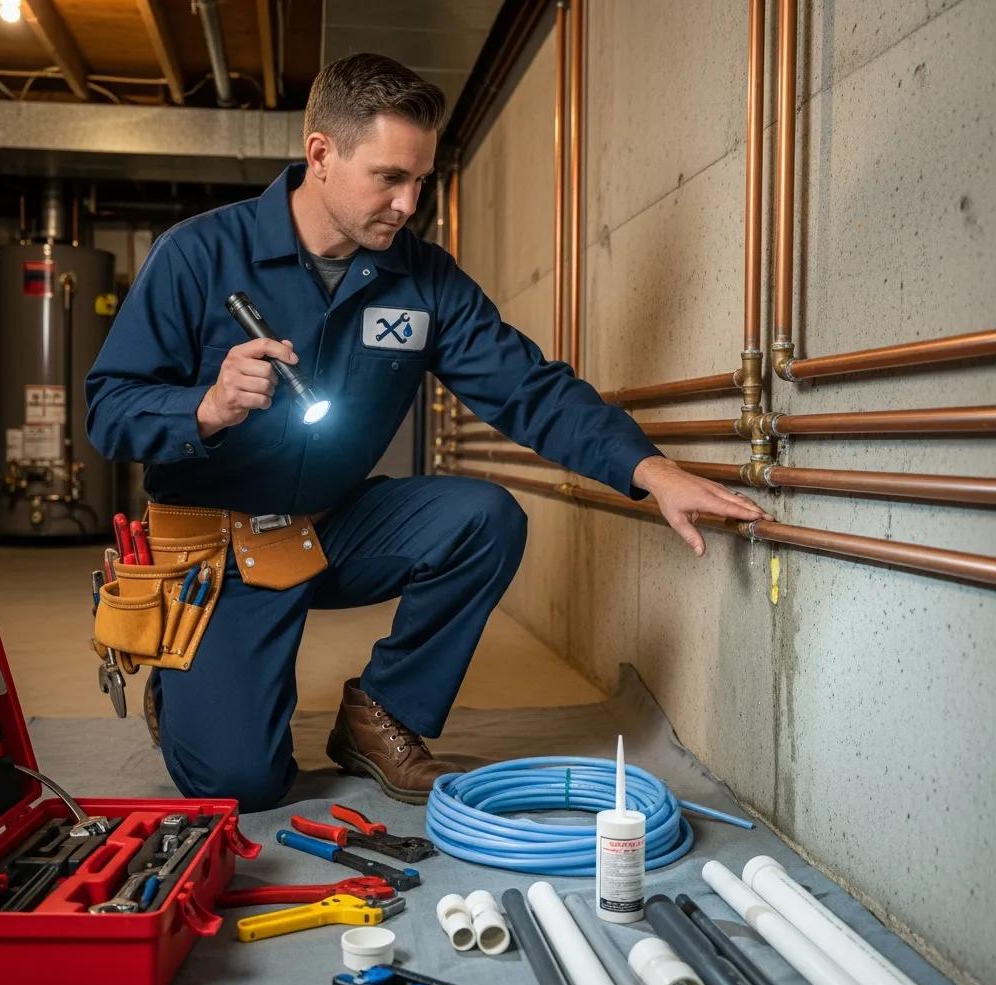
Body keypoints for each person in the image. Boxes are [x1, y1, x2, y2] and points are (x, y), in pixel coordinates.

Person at [86, 53, 770, 812]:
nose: (410, 203)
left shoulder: (423, 279)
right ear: (321, 154)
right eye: (388, 178)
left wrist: (649, 469)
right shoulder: (198, 255)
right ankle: (191, 697)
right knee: (241, 782)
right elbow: (108, 409)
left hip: (331, 526)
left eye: (421, 181)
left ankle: (381, 715)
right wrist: (205, 408)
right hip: (218, 552)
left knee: (484, 518)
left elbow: (525, 385)